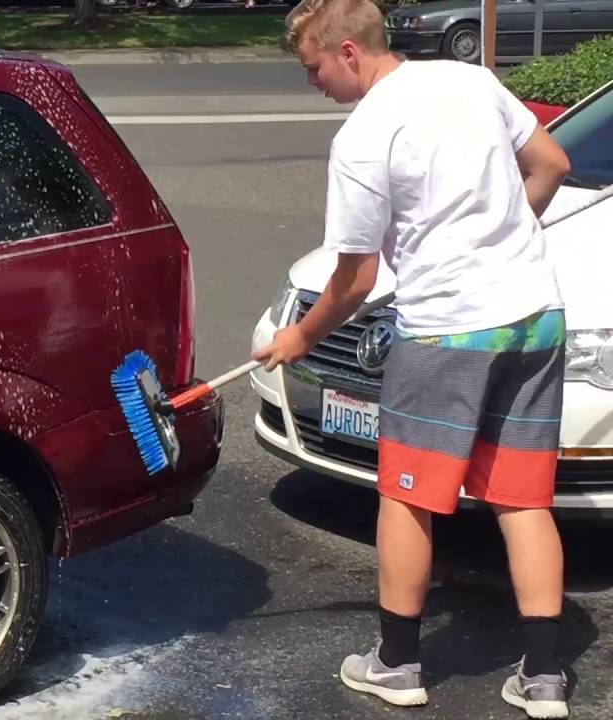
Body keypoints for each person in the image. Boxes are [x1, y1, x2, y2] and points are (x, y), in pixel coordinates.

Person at [253, 0, 575, 717]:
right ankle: (545, 677)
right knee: (521, 498)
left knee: (407, 495)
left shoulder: (365, 134)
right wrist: (503, 242)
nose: (313, 84)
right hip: (535, 316)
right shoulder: (469, 80)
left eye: (312, 69)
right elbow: (551, 164)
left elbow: (356, 280)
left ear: (346, 52)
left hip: (446, 334)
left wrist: (298, 338)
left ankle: (396, 665)